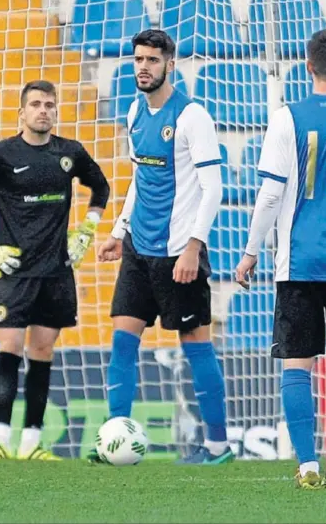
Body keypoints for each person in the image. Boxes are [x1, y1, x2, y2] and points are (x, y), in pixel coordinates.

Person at [90, 29, 233, 465]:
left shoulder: (192, 116)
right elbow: (140, 180)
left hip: (179, 253)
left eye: (153, 60)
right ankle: (113, 440)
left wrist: (193, 246)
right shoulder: (133, 110)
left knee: (196, 346)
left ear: (170, 64)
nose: (144, 67)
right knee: (122, 341)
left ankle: (217, 446)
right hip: (139, 248)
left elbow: (213, 189)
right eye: (138, 60)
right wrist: (118, 230)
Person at [0, 80, 110, 460]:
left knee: (42, 350)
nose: (44, 110)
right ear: (21, 113)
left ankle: (31, 444)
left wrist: (87, 229)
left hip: (56, 271)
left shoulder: (69, 153)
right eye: (36, 104)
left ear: (56, 112)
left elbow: (102, 187)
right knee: (10, 347)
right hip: (12, 270)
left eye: (50, 105)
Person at [236, 29, 326, 489]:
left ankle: (310, 467)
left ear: (308, 66)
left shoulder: (286, 119)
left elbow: (271, 193)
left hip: (299, 261)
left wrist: (251, 251)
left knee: (297, 361)